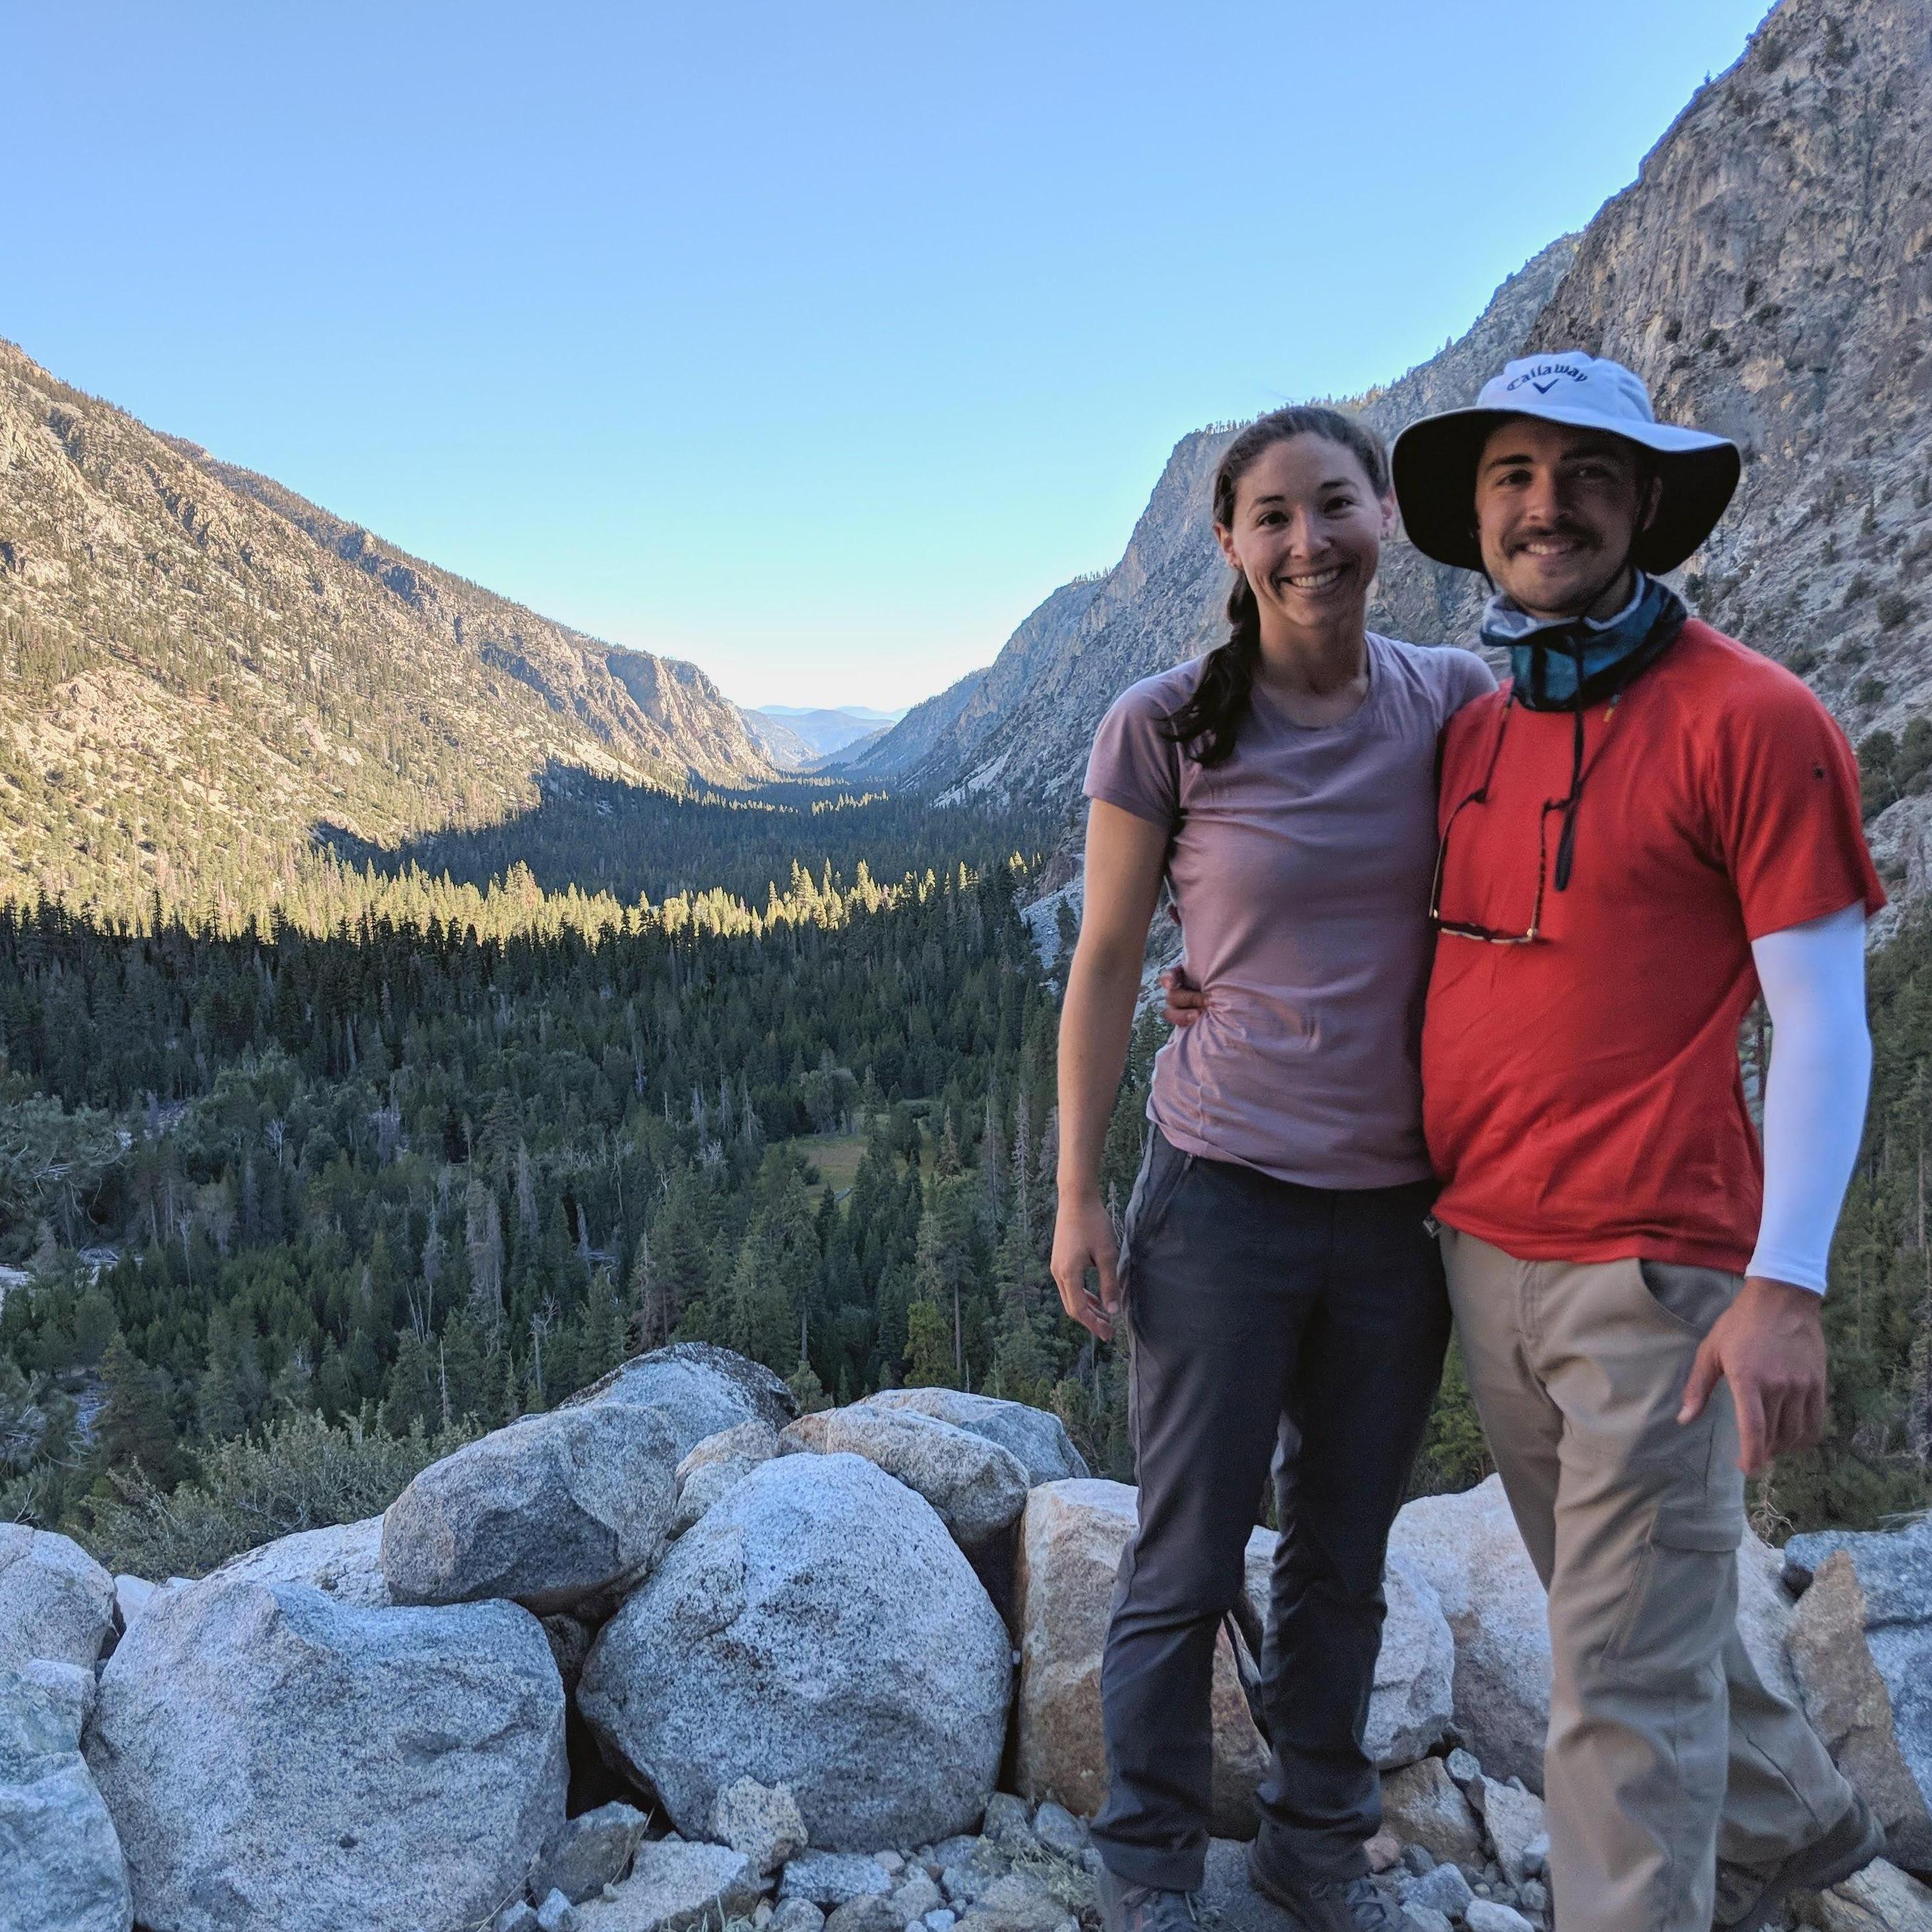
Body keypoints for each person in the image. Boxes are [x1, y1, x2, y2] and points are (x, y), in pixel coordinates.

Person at [1168, 352, 1885, 1930]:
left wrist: (1787, 1282)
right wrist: (1215, 981)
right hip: (1478, 1250)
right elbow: (1359, 908)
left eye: (1583, 474)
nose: (1542, 505)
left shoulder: (1756, 719)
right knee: (1628, 1616)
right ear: (1473, 512)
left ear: (1643, 504)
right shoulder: (1483, 723)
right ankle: (1800, 1826)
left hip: (1655, 1270)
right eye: (1509, 476)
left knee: (1614, 1693)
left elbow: (1825, 1025)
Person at [1051, 403, 1494, 1932]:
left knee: (1338, 1555)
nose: (1306, 542)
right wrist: (1078, 1188)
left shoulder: (1456, 702)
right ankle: (1146, 1858)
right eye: (1271, 517)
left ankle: (1316, 1836)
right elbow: (1110, 960)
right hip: (1219, 1191)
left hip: (1392, 1210)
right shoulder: (1164, 721)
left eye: (1333, 505)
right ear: (1229, 543)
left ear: (1383, 515)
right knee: (1181, 1551)